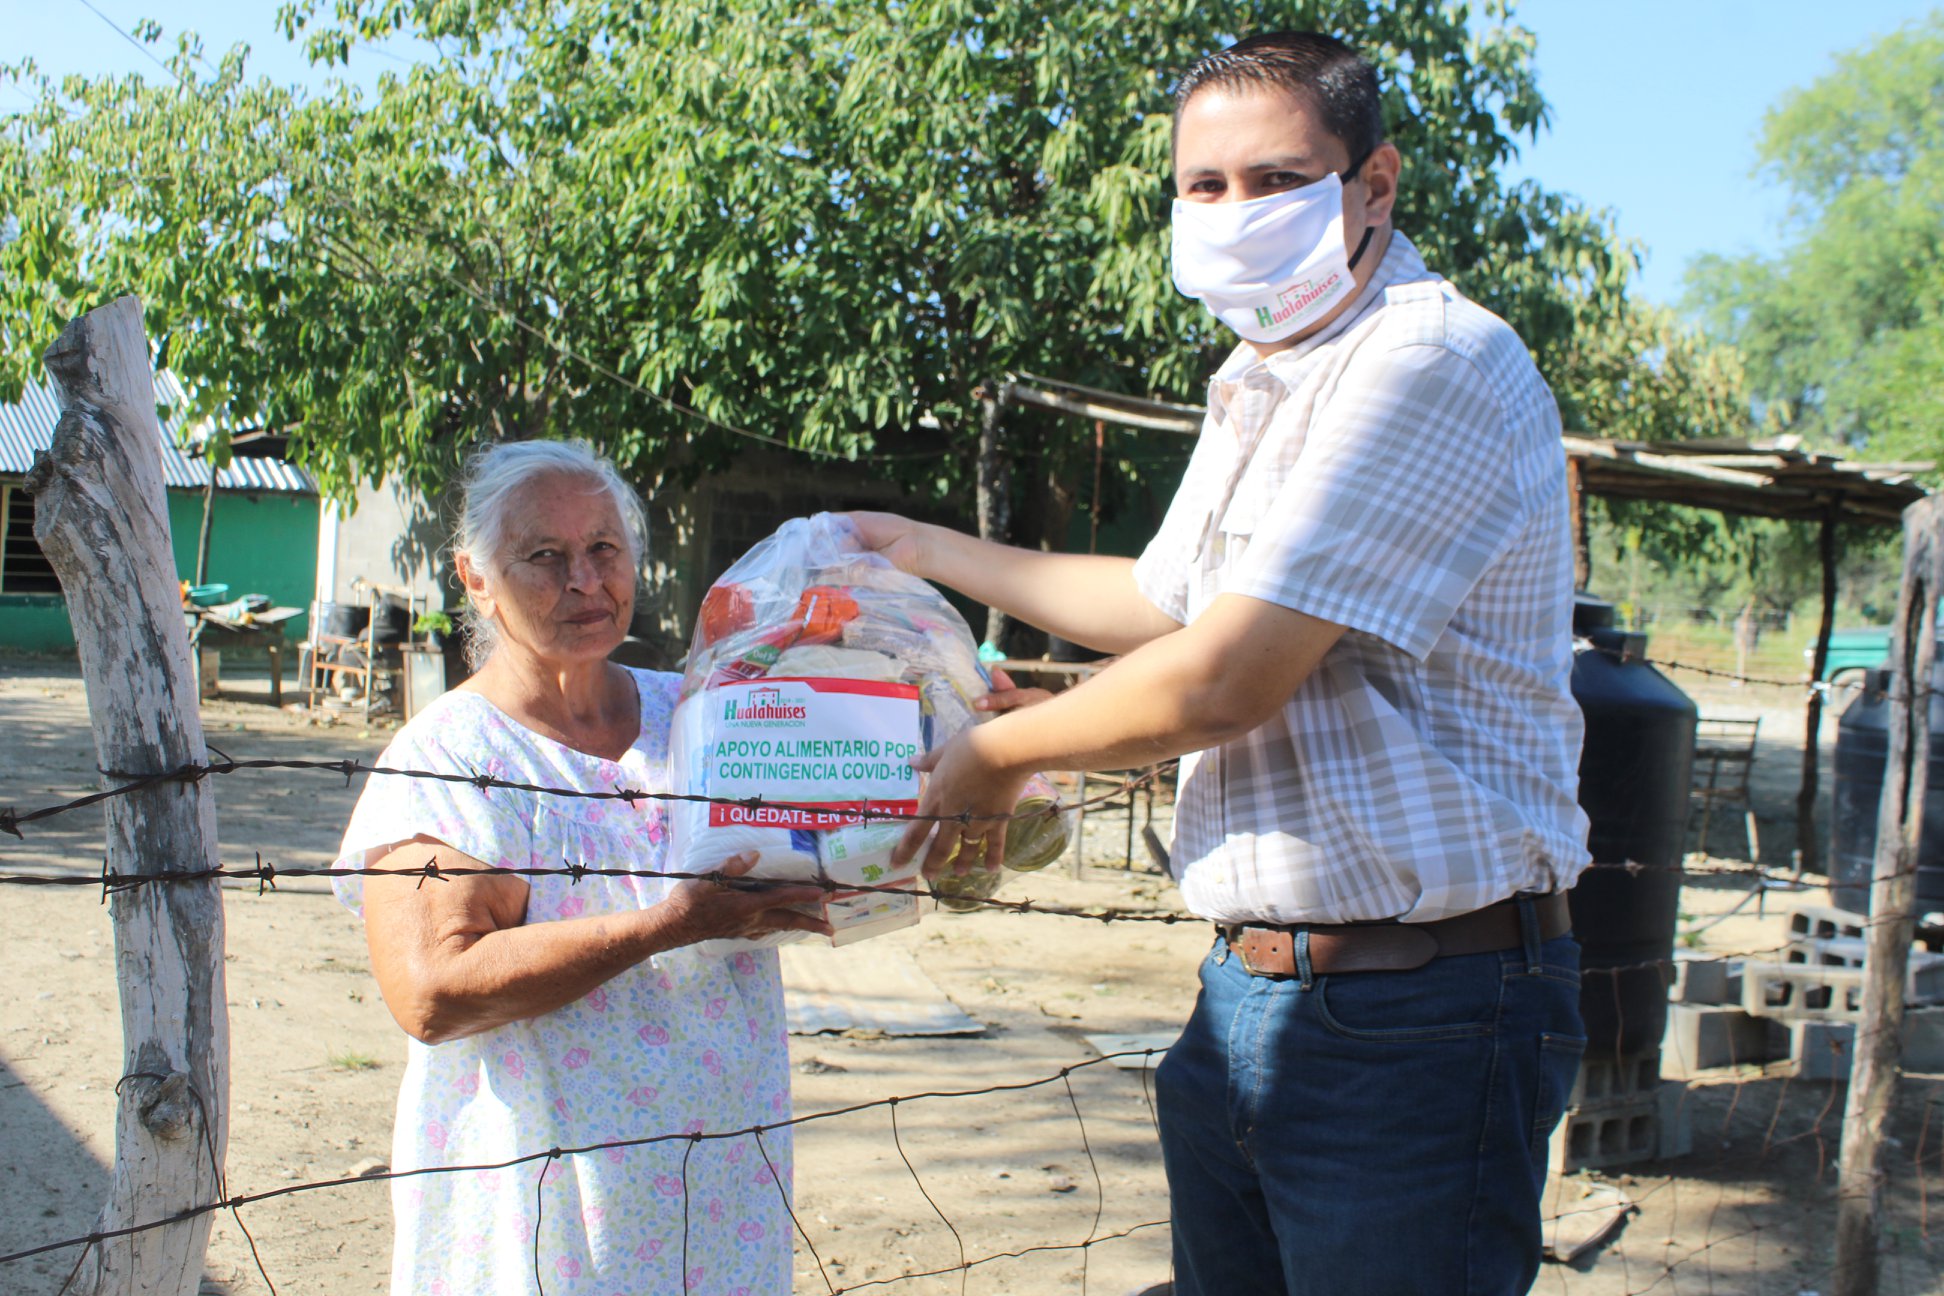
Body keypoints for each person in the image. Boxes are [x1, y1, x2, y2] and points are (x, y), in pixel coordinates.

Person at [852, 30, 1592, 1296]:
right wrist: (916, 546)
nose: (1234, 210)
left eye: (1277, 179)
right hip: (1253, 990)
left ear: (1374, 183)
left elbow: (1224, 676)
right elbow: (1165, 604)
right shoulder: (1266, 374)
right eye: (1205, 185)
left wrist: (993, 755)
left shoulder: (1424, 361)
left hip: (1421, 1010)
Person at [334, 440, 829, 1296]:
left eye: (604, 547)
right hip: (549, 1204)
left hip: (719, 1188)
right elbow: (431, 990)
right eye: (545, 556)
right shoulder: (449, 758)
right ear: (477, 578)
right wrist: (668, 927)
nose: (586, 581)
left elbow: (831, 828)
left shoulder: (698, 711)